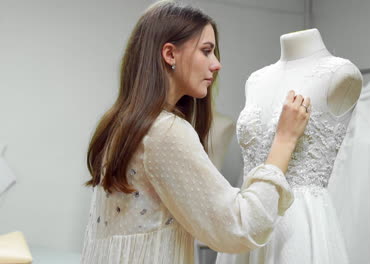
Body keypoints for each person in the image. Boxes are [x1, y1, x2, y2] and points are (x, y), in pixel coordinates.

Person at [80, 1, 311, 263]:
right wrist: (285, 140)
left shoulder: (120, 125)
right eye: (206, 51)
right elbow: (240, 225)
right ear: (170, 54)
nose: (216, 64)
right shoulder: (164, 132)